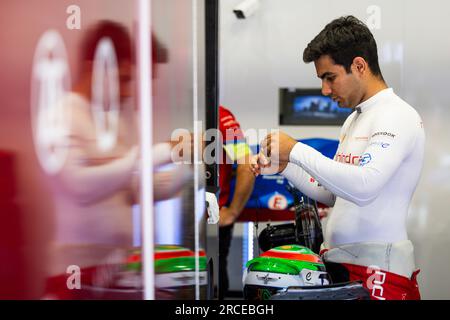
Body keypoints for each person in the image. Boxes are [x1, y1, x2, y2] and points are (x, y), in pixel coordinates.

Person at [251, 16, 425, 300]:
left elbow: (364, 187)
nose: (325, 90)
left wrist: (296, 149)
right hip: (342, 268)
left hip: (381, 274)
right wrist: (286, 167)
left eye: (329, 77)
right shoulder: (354, 120)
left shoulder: (397, 115)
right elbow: (334, 194)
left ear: (359, 65)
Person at [218, 106, 255, 299]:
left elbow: (247, 163)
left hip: (211, 219)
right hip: (165, 217)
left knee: (213, 276)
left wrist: (232, 212)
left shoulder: (220, 116)